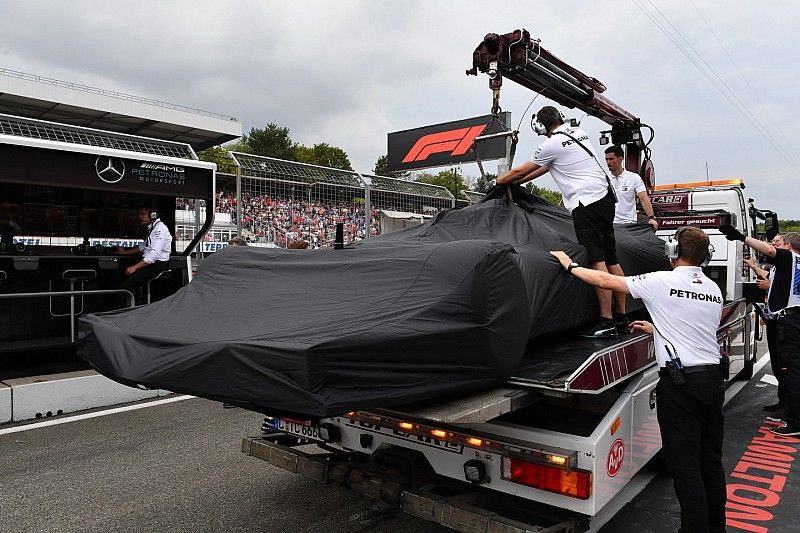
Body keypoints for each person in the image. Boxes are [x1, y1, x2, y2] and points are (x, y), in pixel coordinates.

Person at [550, 225, 725, 533]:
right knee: (710, 462)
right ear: (705, 257)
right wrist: (657, 330)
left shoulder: (661, 280)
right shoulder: (712, 289)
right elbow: (695, 331)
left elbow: (606, 280)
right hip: (711, 382)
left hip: (681, 386)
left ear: (672, 251)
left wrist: (571, 266)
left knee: (686, 468)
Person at [497, 105, 626, 337]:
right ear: (561, 118)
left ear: (540, 127)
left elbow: (520, 171)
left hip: (586, 202)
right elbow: (546, 167)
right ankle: (622, 317)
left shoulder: (551, 144)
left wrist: (501, 181)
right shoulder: (578, 133)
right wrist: (518, 182)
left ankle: (606, 322)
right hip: (605, 197)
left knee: (597, 260)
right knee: (611, 257)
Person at [721, 225, 800, 436]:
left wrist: (742, 237)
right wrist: (755, 267)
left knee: (791, 371)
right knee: (789, 370)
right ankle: (787, 410)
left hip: (789, 321)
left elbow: (769, 251)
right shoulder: (795, 265)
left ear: (789, 247)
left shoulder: (790, 258)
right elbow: (771, 274)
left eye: (780, 244)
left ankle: (795, 423)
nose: (775, 246)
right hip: (792, 319)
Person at [116, 207, 172, 304]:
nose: (140, 217)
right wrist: (124, 252)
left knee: (123, 288)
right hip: (151, 263)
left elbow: (153, 255)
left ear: (153, 215)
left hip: (157, 264)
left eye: (143, 214)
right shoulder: (153, 229)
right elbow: (143, 247)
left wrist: (134, 268)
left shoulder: (159, 229)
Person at [603, 145, 659, 231]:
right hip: (610, 224)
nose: (608, 162)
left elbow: (644, 198)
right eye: (606, 159)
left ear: (620, 159)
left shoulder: (634, 178)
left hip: (628, 224)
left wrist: (651, 218)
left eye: (611, 159)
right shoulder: (603, 179)